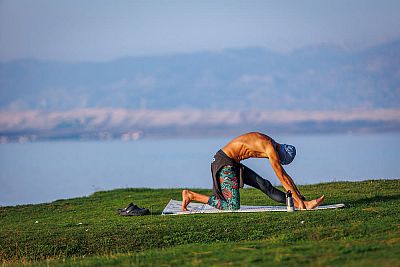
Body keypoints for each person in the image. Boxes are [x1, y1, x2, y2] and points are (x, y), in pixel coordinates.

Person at [182, 132, 325, 211]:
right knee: (232, 206)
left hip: (233, 162)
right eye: (280, 161)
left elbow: (285, 176)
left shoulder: (271, 143)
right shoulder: (270, 148)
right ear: (280, 155)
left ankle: (299, 203)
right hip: (224, 163)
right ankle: (191, 195)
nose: (278, 162)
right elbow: (282, 177)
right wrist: (301, 201)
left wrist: (299, 197)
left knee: (265, 185)